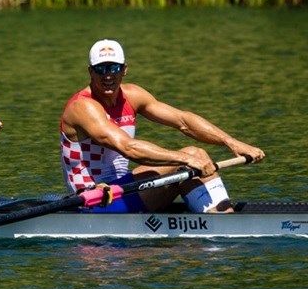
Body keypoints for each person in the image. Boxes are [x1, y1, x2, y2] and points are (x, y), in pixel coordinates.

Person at [60, 39, 264, 213]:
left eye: (114, 68)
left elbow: (183, 121)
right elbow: (128, 148)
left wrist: (232, 143)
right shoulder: (83, 107)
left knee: (195, 155)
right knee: (193, 156)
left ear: (125, 70)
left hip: (124, 192)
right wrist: (186, 159)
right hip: (93, 200)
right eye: (101, 69)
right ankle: (221, 222)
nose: (108, 76)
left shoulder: (132, 96)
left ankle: (219, 216)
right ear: (90, 71)